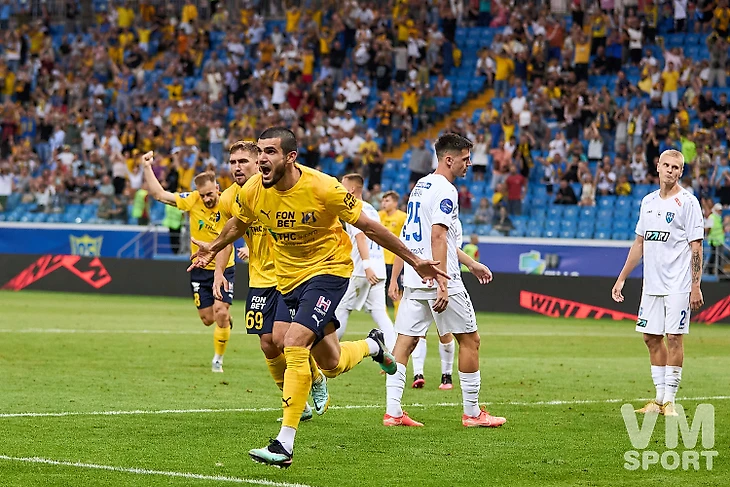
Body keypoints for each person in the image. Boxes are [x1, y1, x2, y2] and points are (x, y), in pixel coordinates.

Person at [188, 127, 447, 468]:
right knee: (330, 363)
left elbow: (370, 227)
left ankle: (284, 444)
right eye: (260, 152)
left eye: (270, 152)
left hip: (328, 271)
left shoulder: (324, 187)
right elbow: (239, 223)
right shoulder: (253, 190)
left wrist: (414, 260)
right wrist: (213, 247)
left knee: (293, 342)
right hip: (288, 278)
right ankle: (373, 346)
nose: (261, 159)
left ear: (290, 157)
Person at [385, 133, 507, 428]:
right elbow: (438, 236)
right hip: (441, 277)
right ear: (448, 159)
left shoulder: (421, 185)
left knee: (405, 342)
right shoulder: (446, 190)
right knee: (470, 340)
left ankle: (393, 412)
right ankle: (473, 413)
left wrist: (471, 263)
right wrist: (442, 282)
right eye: (465, 159)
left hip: (416, 274)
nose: (469, 164)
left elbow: (427, 236)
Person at [213, 141, 328, 421]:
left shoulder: (279, 188)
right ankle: (298, 402)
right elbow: (226, 237)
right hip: (259, 278)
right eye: (233, 162)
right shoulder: (229, 198)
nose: (237, 167)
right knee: (267, 344)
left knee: (284, 339)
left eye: (243, 161)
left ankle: (312, 381)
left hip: (289, 274)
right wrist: (218, 271)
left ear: (259, 163)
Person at [612, 150, 704, 417]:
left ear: (681, 172)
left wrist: (695, 285)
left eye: (676, 167)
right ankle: (659, 399)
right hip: (651, 284)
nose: (670, 170)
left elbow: (696, 247)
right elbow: (639, 243)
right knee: (651, 338)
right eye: (667, 165)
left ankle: (670, 401)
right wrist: (621, 278)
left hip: (678, 284)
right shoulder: (648, 201)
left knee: (673, 337)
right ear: (658, 167)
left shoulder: (688, 202)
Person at [140, 153, 234, 373]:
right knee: (208, 319)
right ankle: (225, 321)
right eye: (203, 195)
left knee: (220, 312)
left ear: (217, 188)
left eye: (210, 194)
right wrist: (146, 167)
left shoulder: (228, 203)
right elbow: (160, 194)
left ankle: (218, 359)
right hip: (199, 268)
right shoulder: (192, 200)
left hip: (223, 266)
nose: (207, 199)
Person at [334, 173, 396, 351]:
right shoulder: (372, 210)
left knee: (341, 309)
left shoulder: (353, 207)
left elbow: (360, 237)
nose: (339, 189)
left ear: (352, 189)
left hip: (362, 269)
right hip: (379, 267)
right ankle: (395, 353)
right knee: (380, 313)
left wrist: (367, 266)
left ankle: (329, 355)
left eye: (343, 185)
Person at [378, 190, 407, 318]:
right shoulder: (378, 216)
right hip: (380, 261)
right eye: (383, 201)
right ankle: (385, 323)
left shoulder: (402, 217)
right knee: (379, 293)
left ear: (395, 203)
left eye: (387, 201)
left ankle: (399, 320)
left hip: (396, 260)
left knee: (397, 292)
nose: (384, 203)